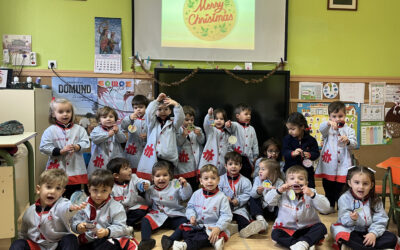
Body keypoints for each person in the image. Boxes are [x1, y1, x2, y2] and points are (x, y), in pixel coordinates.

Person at [10, 169, 87, 250]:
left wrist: (72, 208)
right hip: (37, 246)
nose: (53, 191)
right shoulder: (30, 211)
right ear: (38, 189)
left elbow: (66, 208)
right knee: (18, 243)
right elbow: (23, 233)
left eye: (58, 188)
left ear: (62, 192)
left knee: (71, 238)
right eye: (49, 187)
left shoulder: (61, 204)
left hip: (57, 245)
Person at [161, 164, 232, 250]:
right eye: (206, 178)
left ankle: (186, 245)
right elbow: (190, 207)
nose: (210, 181)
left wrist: (218, 227)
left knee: (203, 236)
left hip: (212, 227)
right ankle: (170, 240)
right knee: (183, 228)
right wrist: (192, 216)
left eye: (213, 178)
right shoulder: (196, 194)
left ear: (218, 180)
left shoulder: (222, 197)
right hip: (197, 225)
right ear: (201, 181)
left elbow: (226, 215)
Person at [331, 166, 398, 250]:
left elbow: (381, 219)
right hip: (351, 230)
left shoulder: (376, 200)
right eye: (356, 182)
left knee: (392, 238)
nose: (361, 187)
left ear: (371, 185)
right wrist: (352, 219)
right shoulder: (344, 198)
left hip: (369, 231)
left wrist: (373, 233)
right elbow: (343, 220)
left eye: (365, 183)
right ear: (349, 183)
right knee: (343, 236)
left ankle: (356, 247)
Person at [266, 165, 330, 250]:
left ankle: (304, 242)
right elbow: (268, 201)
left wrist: (312, 195)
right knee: (275, 234)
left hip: (307, 228)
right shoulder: (282, 193)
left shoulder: (312, 192)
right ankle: (301, 244)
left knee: (321, 228)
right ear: (286, 182)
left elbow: (326, 208)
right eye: (292, 179)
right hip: (286, 229)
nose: (296, 180)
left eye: (301, 179)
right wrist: (279, 191)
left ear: (306, 183)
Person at [72, 169, 136, 250]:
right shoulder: (82, 205)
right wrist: (78, 226)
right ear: (89, 188)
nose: (99, 195)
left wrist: (107, 232)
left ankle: (130, 243)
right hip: (89, 239)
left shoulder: (117, 207)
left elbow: (121, 227)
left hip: (109, 238)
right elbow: (74, 222)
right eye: (95, 190)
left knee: (109, 244)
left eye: (104, 190)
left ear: (111, 189)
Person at [40, 98, 90, 198]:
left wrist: (77, 146)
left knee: (73, 196)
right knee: (56, 194)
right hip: (57, 168)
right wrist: (60, 151)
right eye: (61, 112)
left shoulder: (79, 129)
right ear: (53, 114)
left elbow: (86, 142)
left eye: (68, 111)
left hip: (75, 168)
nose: (65, 114)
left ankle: (72, 213)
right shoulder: (50, 130)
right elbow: (44, 147)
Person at [315, 101, 358, 214]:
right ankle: (330, 205)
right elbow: (321, 129)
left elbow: (354, 144)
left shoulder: (349, 130)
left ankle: (342, 206)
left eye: (340, 116)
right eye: (334, 116)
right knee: (328, 185)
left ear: (345, 115)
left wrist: (348, 140)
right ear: (329, 116)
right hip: (328, 163)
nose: (337, 119)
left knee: (341, 186)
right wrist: (329, 123)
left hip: (343, 163)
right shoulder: (327, 129)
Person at [139, 161, 192, 250]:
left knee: (186, 223)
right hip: (158, 216)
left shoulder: (176, 184)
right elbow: (148, 203)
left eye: (165, 175)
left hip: (175, 215)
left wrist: (185, 186)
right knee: (145, 220)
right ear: (152, 178)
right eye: (158, 176)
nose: (161, 178)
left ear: (170, 176)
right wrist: (147, 192)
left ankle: (170, 239)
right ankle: (145, 241)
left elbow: (185, 196)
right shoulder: (151, 189)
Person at [136, 93, 184, 180]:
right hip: (154, 157)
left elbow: (180, 118)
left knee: (168, 180)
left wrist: (176, 105)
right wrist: (157, 101)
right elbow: (149, 113)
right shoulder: (152, 123)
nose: (163, 112)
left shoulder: (173, 124)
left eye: (166, 109)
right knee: (155, 179)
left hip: (169, 159)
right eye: (160, 109)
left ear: (170, 111)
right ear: (156, 111)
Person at [218, 151, 264, 238]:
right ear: (225, 166)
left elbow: (248, 194)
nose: (233, 166)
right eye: (230, 164)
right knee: (221, 218)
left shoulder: (245, 181)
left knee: (242, 219)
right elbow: (217, 191)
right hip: (224, 208)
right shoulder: (220, 180)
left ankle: (245, 229)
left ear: (240, 166)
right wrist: (224, 197)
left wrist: (238, 200)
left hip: (239, 208)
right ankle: (230, 227)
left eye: (236, 164)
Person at [107, 157, 150, 228]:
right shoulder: (111, 186)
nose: (130, 170)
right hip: (118, 211)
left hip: (132, 208)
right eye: (126, 169)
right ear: (116, 175)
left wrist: (144, 184)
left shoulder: (133, 178)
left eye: (129, 167)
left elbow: (140, 182)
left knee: (141, 211)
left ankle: (126, 224)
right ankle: (120, 224)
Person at [283, 112, 320, 188]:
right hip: (291, 171)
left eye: (293, 129)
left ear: (302, 127)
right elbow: (284, 152)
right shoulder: (287, 139)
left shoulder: (311, 140)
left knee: (309, 189)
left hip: (307, 172)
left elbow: (316, 153)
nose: (290, 131)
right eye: (288, 129)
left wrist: (309, 155)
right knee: (291, 190)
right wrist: (292, 153)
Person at [87, 106, 126, 175]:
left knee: (115, 175)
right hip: (100, 159)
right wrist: (107, 135)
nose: (108, 119)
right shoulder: (96, 129)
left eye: (111, 117)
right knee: (100, 176)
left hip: (115, 158)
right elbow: (95, 139)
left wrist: (117, 132)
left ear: (115, 119)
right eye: (104, 117)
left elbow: (123, 140)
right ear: (99, 120)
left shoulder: (117, 129)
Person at [176, 105, 205, 190]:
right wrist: (183, 135)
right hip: (182, 163)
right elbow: (178, 143)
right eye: (187, 120)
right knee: (182, 183)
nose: (189, 122)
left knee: (194, 183)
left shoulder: (197, 129)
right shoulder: (178, 130)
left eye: (192, 120)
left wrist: (199, 134)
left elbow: (202, 141)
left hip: (193, 162)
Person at [198, 107, 232, 176]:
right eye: (216, 119)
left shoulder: (227, 134)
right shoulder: (211, 130)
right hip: (209, 162)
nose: (219, 121)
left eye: (221, 119)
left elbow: (230, 147)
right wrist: (210, 115)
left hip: (222, 164)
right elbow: (207, 124)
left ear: (225, 120)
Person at [229, 103, 259, 180]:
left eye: (249, 114)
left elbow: (255, 143)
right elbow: (230, 126)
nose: (249, 116)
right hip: (236, 157)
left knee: (247, 176)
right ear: (238, 116)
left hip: (248, 158)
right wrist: (228, 124)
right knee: (235, 175)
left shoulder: (252, 129)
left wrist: (256, 156)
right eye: (246, 114)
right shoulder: (235, 125)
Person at [249, 159, 283, 224]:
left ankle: (279, 220)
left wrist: (275, 191)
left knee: (282, 203)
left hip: (274, 208)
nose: (260, 171)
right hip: (262, 209)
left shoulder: (280, 182)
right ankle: (260, 219)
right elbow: (253, 194)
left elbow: (280, 199)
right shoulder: (257, 179)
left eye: (263, 169)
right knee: (253, 198)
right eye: (259, 169)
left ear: (272, 172)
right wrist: (258, 192)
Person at [121, 94, 149, 172]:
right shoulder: (131, 119)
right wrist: (129, 118)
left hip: (146, 149)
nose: (138, 110)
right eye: (135, 108)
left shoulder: (149, 119)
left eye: (141, 107)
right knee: (132, 169)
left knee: (145, 170)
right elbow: (123, 127)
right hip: (133, 149)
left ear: (146, 107)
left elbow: (154, 132)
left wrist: (147, 136)